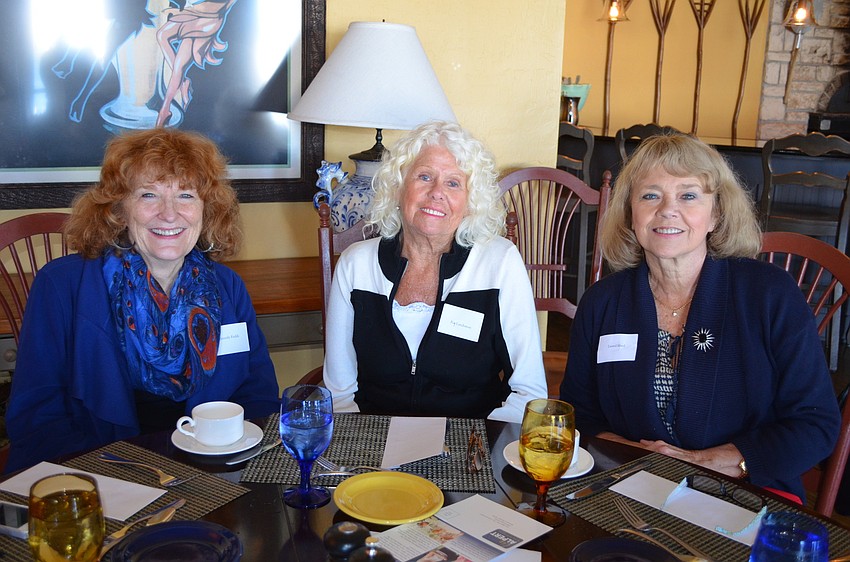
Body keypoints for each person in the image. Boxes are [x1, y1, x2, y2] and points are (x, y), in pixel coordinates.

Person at [561, 132, 840, 502]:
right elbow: (579, 415)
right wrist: (635, 459)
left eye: (688, 195)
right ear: (630, 214)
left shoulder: (769, 293)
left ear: (716, 214)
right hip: (630, 487)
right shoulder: (602, 302)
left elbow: (815, 424)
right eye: (650, 195)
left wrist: (705, 462)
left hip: (745, 491)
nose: (667, 210)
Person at [5, 128, 279, 472]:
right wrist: (126, 477)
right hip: (96, 476)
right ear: (119, 208)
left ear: (207, 210)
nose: (169, 214)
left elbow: (260, 398)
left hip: (212, 471)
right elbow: (37, 417)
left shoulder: (227, 287)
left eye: (186, 196)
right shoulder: (62, 285)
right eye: (148, 195)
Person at [323, 120, 547, 422]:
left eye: (453, 182)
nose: (436, 192)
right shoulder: (355, 264)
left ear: (470, 201)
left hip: (470, 446)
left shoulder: (500, 262)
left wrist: (475, 447)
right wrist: (365, 447)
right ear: (399, 188)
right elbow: (339, 395)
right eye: (424, 177)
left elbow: (529, 392)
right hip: (374, 440)